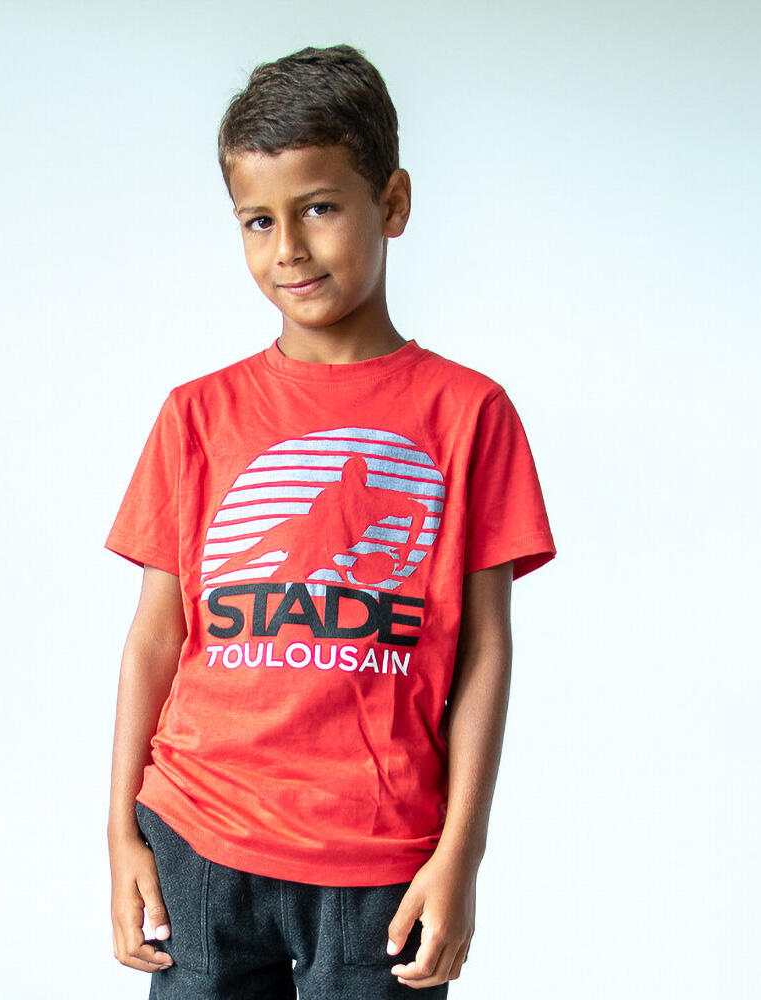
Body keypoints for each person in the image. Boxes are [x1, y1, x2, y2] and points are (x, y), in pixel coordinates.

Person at [105, 43, 556, 999]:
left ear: (392, 202)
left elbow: (486, 649)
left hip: (381, 855)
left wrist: (462, 852)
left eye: (318, 208)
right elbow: (155, 635)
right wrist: (118, 830)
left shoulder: (469, 415)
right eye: (258, 220)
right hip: (198, 836)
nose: (289, 250)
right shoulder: (196, 415)